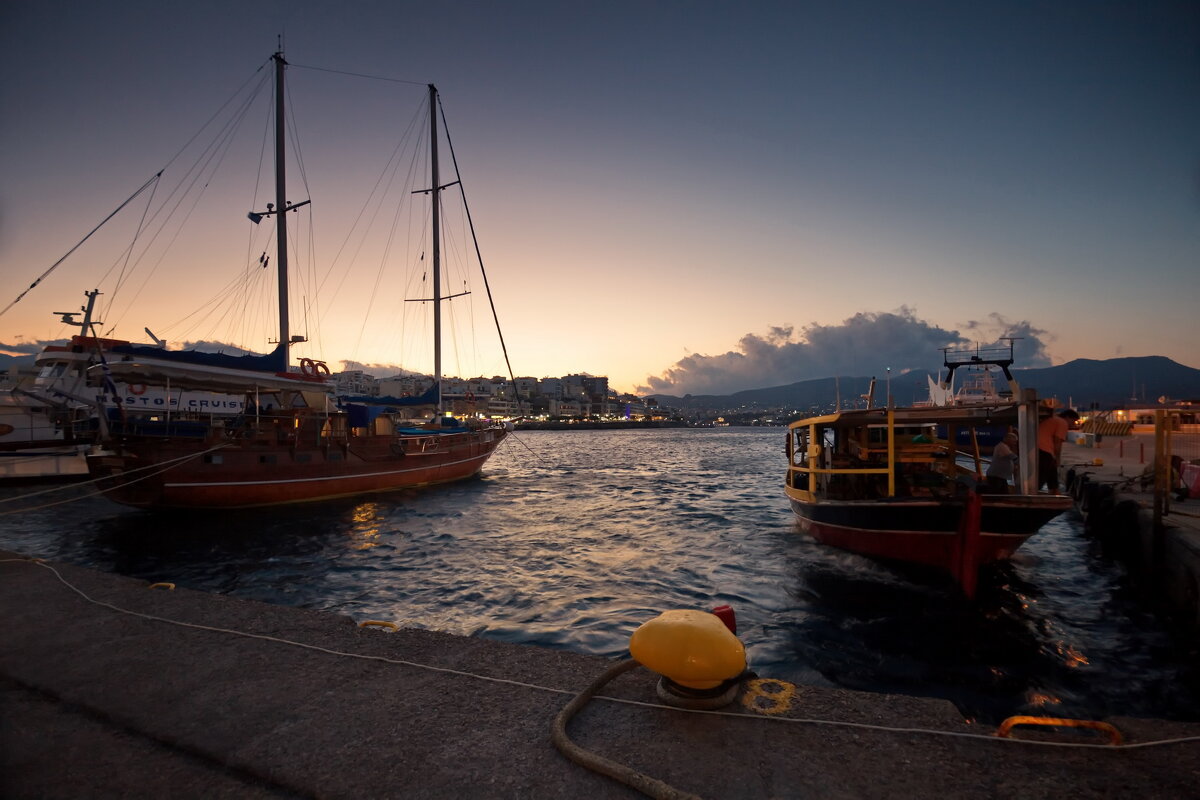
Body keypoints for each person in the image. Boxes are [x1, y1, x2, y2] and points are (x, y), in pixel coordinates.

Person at [1037, 409, 1079, 493]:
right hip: (1044, 450)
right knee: (1041, 479)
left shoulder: (1053, 420)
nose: (1073, 424)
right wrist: (1058, 459)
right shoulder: (1062, 423)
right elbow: (1057, 443)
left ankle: (1054, 491)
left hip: (1039, 448)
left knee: (1052, 476)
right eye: (1073, 421)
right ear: (1067, 417)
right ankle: (1031, 496)